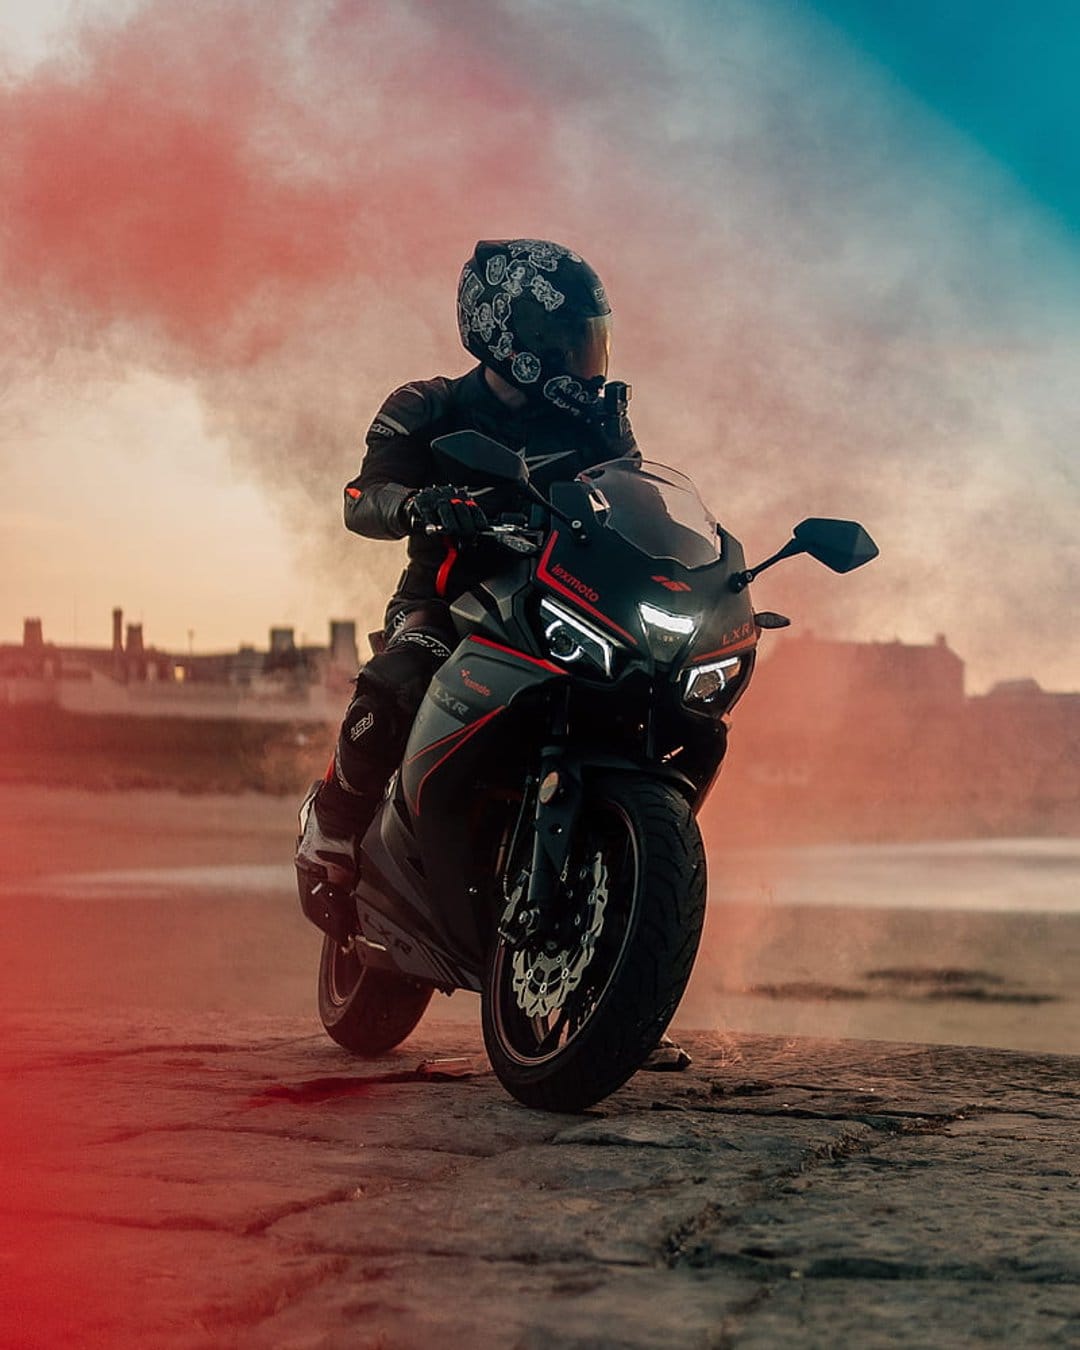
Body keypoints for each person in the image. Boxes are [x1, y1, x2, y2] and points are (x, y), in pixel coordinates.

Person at [295, 238, 639, 888]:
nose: (586, 359)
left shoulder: (591, 424)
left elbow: (636, 503)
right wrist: (417, 504)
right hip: (447, 601)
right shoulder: (426, 407)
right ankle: (335, 819)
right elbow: (360, 500)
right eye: (571, 340)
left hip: (559, 600)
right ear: (518, 338)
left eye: (590, 339)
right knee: (401, 679)